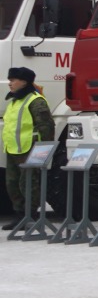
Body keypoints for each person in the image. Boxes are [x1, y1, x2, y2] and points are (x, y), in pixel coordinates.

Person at [3, 67, 54, 230]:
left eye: (13, 80)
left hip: (29, 149)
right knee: (12, 183)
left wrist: (43, 151)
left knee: (29, 183)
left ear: (24, 82)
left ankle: (30, 215)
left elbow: (46, 127)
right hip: (13, 149)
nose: (9, 83)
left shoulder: (35, 101)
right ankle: (19, 215)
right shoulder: (14, 101)